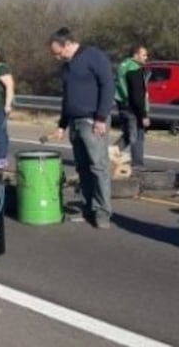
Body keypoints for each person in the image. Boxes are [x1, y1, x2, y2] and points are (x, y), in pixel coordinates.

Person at [45, 27, 116, 229]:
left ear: (68, 44)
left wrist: (101, 117)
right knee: (83, 168)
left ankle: (103, 212)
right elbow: (67, 98)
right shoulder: (67, 66)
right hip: (75, 122)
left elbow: (108, 85)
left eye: (58, 53)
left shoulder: (94, 56)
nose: (57, 58)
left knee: (98, 166)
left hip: (93, 121)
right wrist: (62, 125)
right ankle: (88, 209)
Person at [115, 45, 150, 168]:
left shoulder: (123, 66)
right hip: (133, 109)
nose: (146, 58)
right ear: (136, 55)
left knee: (128, 136)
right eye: (144, 55)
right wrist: (144, 114)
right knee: (137, 137)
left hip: (123, 106)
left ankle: (110, 155)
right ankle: (138, 166)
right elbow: (137, 94)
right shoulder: (134, 68)